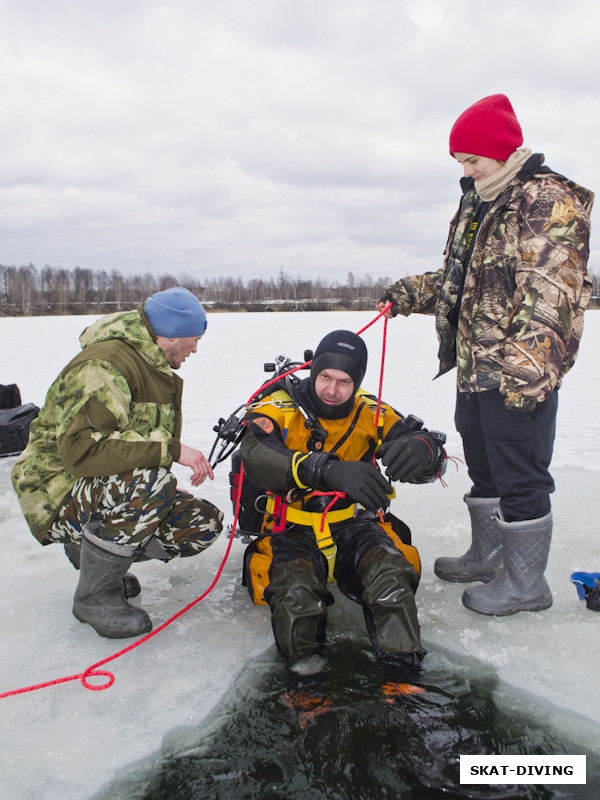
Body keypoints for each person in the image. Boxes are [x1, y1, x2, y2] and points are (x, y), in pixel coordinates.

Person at [378, 93, 594, 617]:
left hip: (520, 370)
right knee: (484, 463)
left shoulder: (546, 200)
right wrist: (409, 293)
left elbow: (552, 292)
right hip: (476, 367)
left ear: (503, 151)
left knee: (520, 471)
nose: (467, 170)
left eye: (473, 159)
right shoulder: (480, 199)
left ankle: (525, 585)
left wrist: (527, 371)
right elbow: (465, 280)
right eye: (461, 162)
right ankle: (489, 555)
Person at [11, 287, 224, 639]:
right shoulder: (104, 367)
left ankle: (93, 551)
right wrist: (169, 453)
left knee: (200, 523)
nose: (194, 349)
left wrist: (153, 485)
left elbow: (127, 443)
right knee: (151, 482)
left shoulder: (149, 362)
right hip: (54, 491)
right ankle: (94, 597)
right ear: (168, 334)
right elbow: (81, 453)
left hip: (93, 486)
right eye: (192, 340)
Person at [239, 329, 446, 671]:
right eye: (324, 377)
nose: (332, 390)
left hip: (354, 522)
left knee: (390, 574)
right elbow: (255, 450)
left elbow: (416, 441)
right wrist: (322, 470)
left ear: (357, 382)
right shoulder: (279, 406)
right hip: (291, 525)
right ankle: (306, 683)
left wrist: (425, 450)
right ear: (313, 371)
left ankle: (404, 676)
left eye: (345, 382)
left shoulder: (370, 411)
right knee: (296, 595)